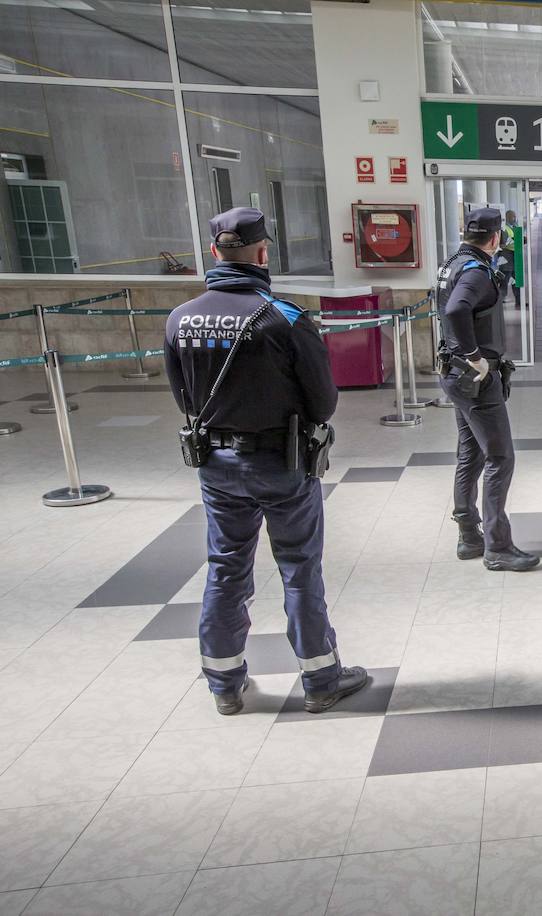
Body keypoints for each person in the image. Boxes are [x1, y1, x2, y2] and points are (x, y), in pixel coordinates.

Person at [163, 207, 368, 716]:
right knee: (299, 567)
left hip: (216, 464)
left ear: (214, 252)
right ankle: (321, 677)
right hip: (282, 462)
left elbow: (183, 398)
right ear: (262, 253)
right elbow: (323, 402)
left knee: (225, 567)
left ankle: (224, 682)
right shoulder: (286, 317)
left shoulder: (180, 319)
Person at [438, 207, 540, 572]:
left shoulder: (451, 264)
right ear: (495, 239)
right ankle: (497, 547)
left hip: (455, 376)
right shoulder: (477, 271)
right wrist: (476, 356)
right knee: (500, 458)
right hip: (475, 379)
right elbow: (456, 310)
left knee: (471, 454)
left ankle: (469, 536)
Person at [501, 209, 522, 312]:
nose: (514, 218)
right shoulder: (505, 228)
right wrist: (516, 241)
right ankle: (500, 301)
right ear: (508, 217)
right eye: (512, 217)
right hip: (507, 258)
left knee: (516, 280)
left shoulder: (514, 227)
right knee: (504, 281)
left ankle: (519, 300)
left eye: (515, 216)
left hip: (515, 257)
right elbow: (503, 243)